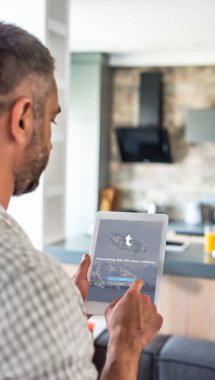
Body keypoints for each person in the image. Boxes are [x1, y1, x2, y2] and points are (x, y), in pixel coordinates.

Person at [0, 22, 163, 379]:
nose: (52, 141)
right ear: (23, 119)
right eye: (52, 120)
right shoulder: (28, 279)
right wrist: (125, 342)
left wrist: (64, 309)